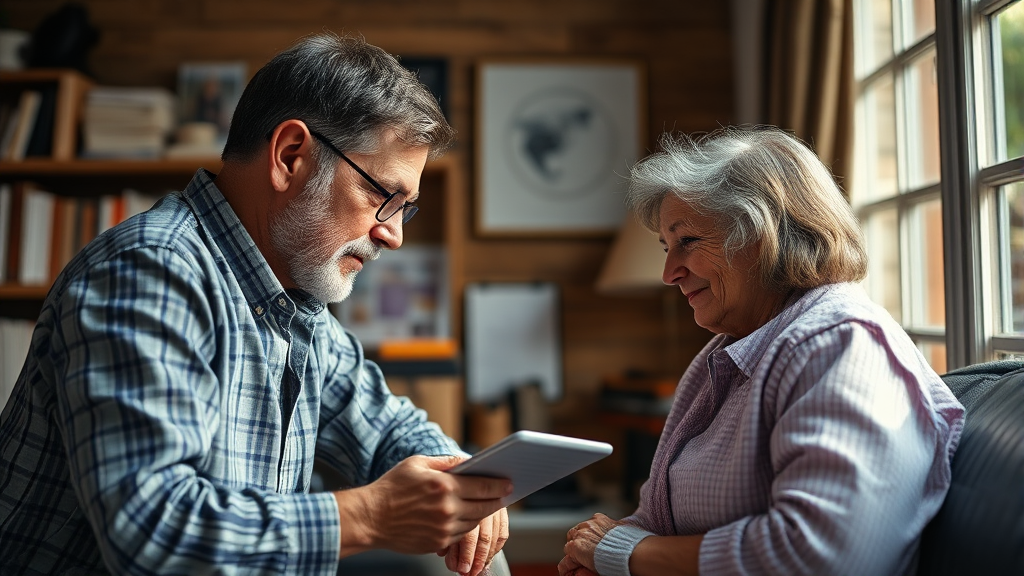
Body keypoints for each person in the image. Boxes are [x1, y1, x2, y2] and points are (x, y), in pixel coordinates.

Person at [0, 33, 511, 576]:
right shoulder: (148, 271)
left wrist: (458, 477)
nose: (393, 236)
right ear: (290, 156)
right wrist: (373, 514)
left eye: (403, 209)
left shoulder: (290, 298)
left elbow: (387, 426)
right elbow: (152, 531)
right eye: (382, 195)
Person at [558, 126, 965, 576]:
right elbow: (656, 517)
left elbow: (824, 554)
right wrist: (599, 553)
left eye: (687, 241)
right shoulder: (723, 356)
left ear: (763, 234)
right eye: (665, 247)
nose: (668, 272)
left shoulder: (840, 344)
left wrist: (625, 554)